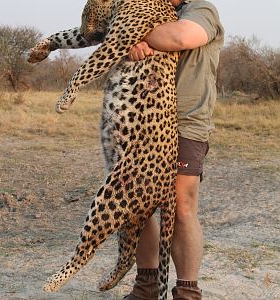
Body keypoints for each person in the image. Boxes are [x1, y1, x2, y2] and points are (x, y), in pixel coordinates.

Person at [125, 0, 224, 299]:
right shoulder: (155, 13)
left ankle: (187, 292)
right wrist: (133, 48)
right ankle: (146, 287)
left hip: (186, 124)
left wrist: (134, 34)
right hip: (146, 123)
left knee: (180, 208)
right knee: (135, 207)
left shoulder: (201, 9)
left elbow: (181, 37)